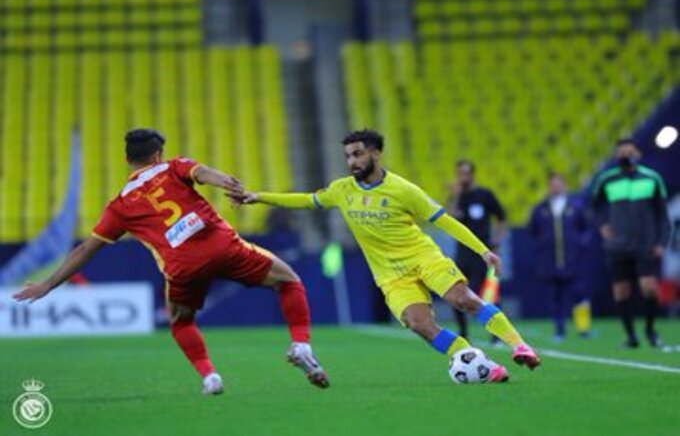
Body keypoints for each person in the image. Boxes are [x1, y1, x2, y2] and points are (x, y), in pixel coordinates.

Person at [13, 128, 330, 393]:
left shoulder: (120, 205)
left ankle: (210, 375)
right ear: (157, 155)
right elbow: (203, 173)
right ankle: (301, 343)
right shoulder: (174, 166)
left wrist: (48, 284)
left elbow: (85, 250)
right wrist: (232, 185)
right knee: (288, 281)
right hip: (221, 245)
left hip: (182, 266)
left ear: (128, 160)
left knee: (181, 322)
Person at [238, 129, 541, 382]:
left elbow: (444, 220)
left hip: (422, 257)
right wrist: (259, 197)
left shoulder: (403, 190)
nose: (351, 161)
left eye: (357, 154)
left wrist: (484, 250)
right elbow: (307, 200)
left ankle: (519, 345)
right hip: (390, 275)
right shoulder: (342, 189)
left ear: (375, 154)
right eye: (348, 156)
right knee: (419, 323)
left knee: (462, 299)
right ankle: (482, 366)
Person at [592, 138, 671, 348]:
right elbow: (595, 206)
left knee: (649, 287)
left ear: (638, 154)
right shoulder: (607, 180)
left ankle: (650, 331)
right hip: (617, 246)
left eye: (629, 151)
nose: (625, 156)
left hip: (645, 243)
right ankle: (631, 337)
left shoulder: (652, 178)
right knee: (621, 291)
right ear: (617, 156)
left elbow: (663, 216)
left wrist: (662, 242)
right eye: (621, 153)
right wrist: (602, 225)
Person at [447, 160, 506, 342]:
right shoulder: (457, 196)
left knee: (487, 294)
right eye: (460, 173)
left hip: (482, 253)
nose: (462, 177)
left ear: (472, 174)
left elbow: (501, 217)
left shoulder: (484, 195)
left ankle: (496, 333)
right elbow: (450, 219)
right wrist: (456, 196)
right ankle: (464, 332)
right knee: (456, 291)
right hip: (462, 253)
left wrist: (497, 240)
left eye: (466, 173)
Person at [529, 173, 592, 341]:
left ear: (564, 185)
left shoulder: (576, 206)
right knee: (555, 297)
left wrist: (580, 244)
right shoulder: (541, 208)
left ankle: (583, 328)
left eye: (559, 184)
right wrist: (542, 247)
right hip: (550, 261)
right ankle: (559, 329)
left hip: (573, 260)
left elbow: (586, 229)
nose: (556, 187)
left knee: (579, 294)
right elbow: (533, 231)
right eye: (553, 184)